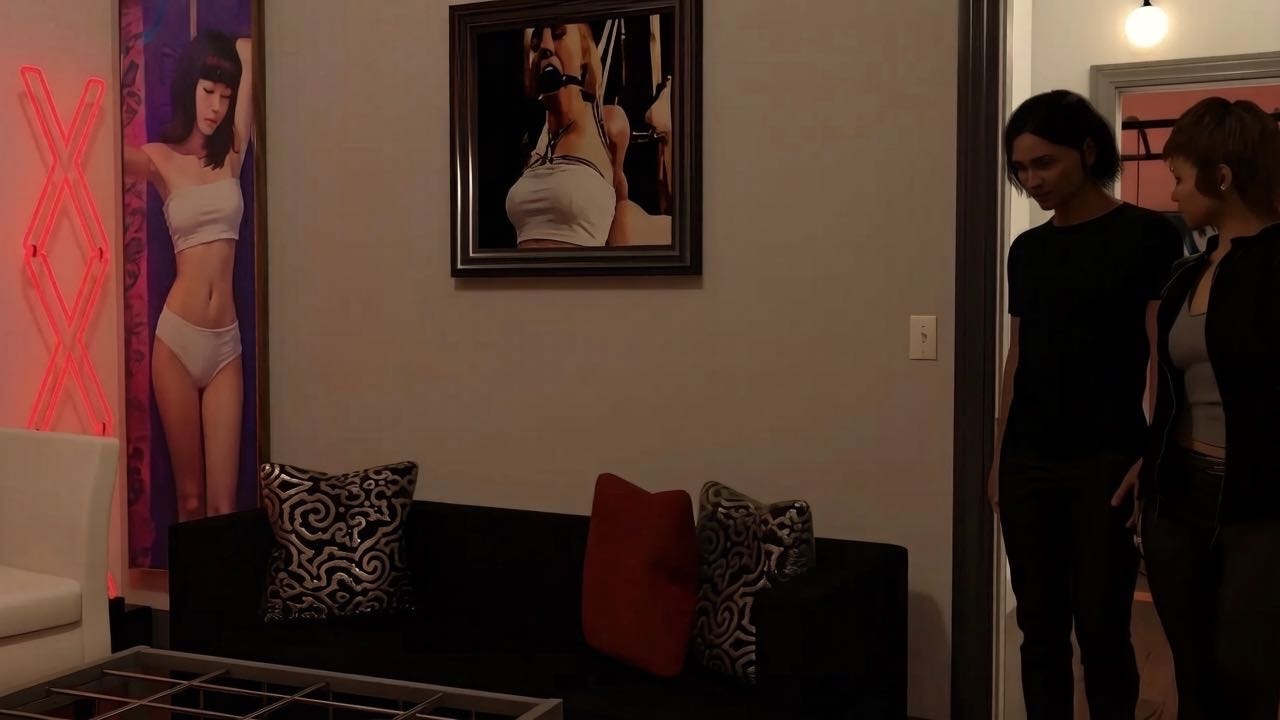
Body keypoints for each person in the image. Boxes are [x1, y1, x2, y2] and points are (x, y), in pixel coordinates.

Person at [991, 89, 1184, 720]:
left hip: (1107, 460)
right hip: (1028, 461)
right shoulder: (1028, 250)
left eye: (1044, 163)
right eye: (1021, 168)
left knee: (1102, 629)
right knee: (1038, 628)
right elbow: (1018, 358)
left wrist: (1153, 456)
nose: (1031, 180)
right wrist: (998, 458)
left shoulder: (1148, 235)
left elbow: (1163, 357)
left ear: (1089, 151)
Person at [1138, 97, 1280, 720]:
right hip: (1178, 499)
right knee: (1192, 674)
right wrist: (1148, 464)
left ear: (1220, 176)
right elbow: (1171, 390)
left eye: (1178, 177)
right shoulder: (1185, 275)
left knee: (1245, 677)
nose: (1172, 194)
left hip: (1263, 508)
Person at [123, 29, 253, 521]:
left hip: (226, 345)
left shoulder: (233, 151)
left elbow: (250, 49)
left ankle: (221, 580)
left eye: (226, 95)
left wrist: (227, 56)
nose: (217, 106)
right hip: (177, 341)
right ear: (188, 87)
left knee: (223, 505)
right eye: (207, 90)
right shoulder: (159, 158)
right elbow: (97, 147)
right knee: (191, 500)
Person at [505, 22, 670, 248]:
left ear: (584, 54)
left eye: (558, 34)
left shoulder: (609, 123)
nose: (545, 47)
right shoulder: (533, 136)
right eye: (535, 42)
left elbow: (620, 208)